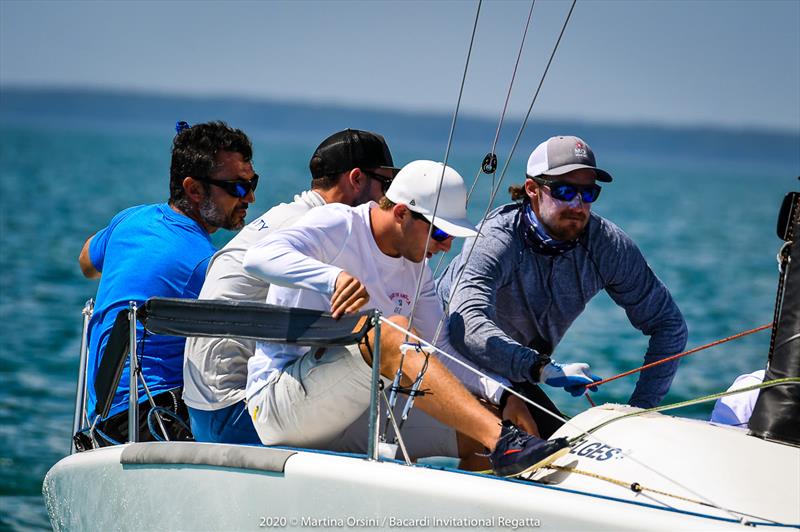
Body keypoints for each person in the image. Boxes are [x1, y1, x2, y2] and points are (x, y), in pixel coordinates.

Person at [242, 160, 570, 477]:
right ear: (401, 212)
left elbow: (439, 350)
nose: (446, 246)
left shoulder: (417, 270)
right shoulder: (339, 224)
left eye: (453, 235)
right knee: (392, 330)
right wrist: (333, 278)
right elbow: (258, 257)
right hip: (282, 404)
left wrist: (506, 394)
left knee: (484, 424)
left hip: (360, 406)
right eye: (441, 231)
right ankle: (505, 443)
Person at [437, 135, 688, 436]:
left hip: (518, 373)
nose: (578, 205)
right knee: (526, 439)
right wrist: (543, 369)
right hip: (442, 351)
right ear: (532, 189)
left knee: (563, 446)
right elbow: (464, 324)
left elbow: (669, 326)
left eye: (588, 193)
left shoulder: (607, 246)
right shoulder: (497, 238)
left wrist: (638, 412)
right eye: (565, 191)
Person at [183, 128, 399, 444]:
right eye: (386, 185)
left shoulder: (291, 217)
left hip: (204, 409)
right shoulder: (325, 230)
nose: (387, 200)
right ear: (356, 179)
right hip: (234, 413)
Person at [78, 121, 256, 443]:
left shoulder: (129, 220)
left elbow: (87, 262)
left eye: (252, 182)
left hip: (101, 418)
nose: (251, 197)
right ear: (194, 189)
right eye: (238, 187)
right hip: (159, 419)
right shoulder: (206, 265)